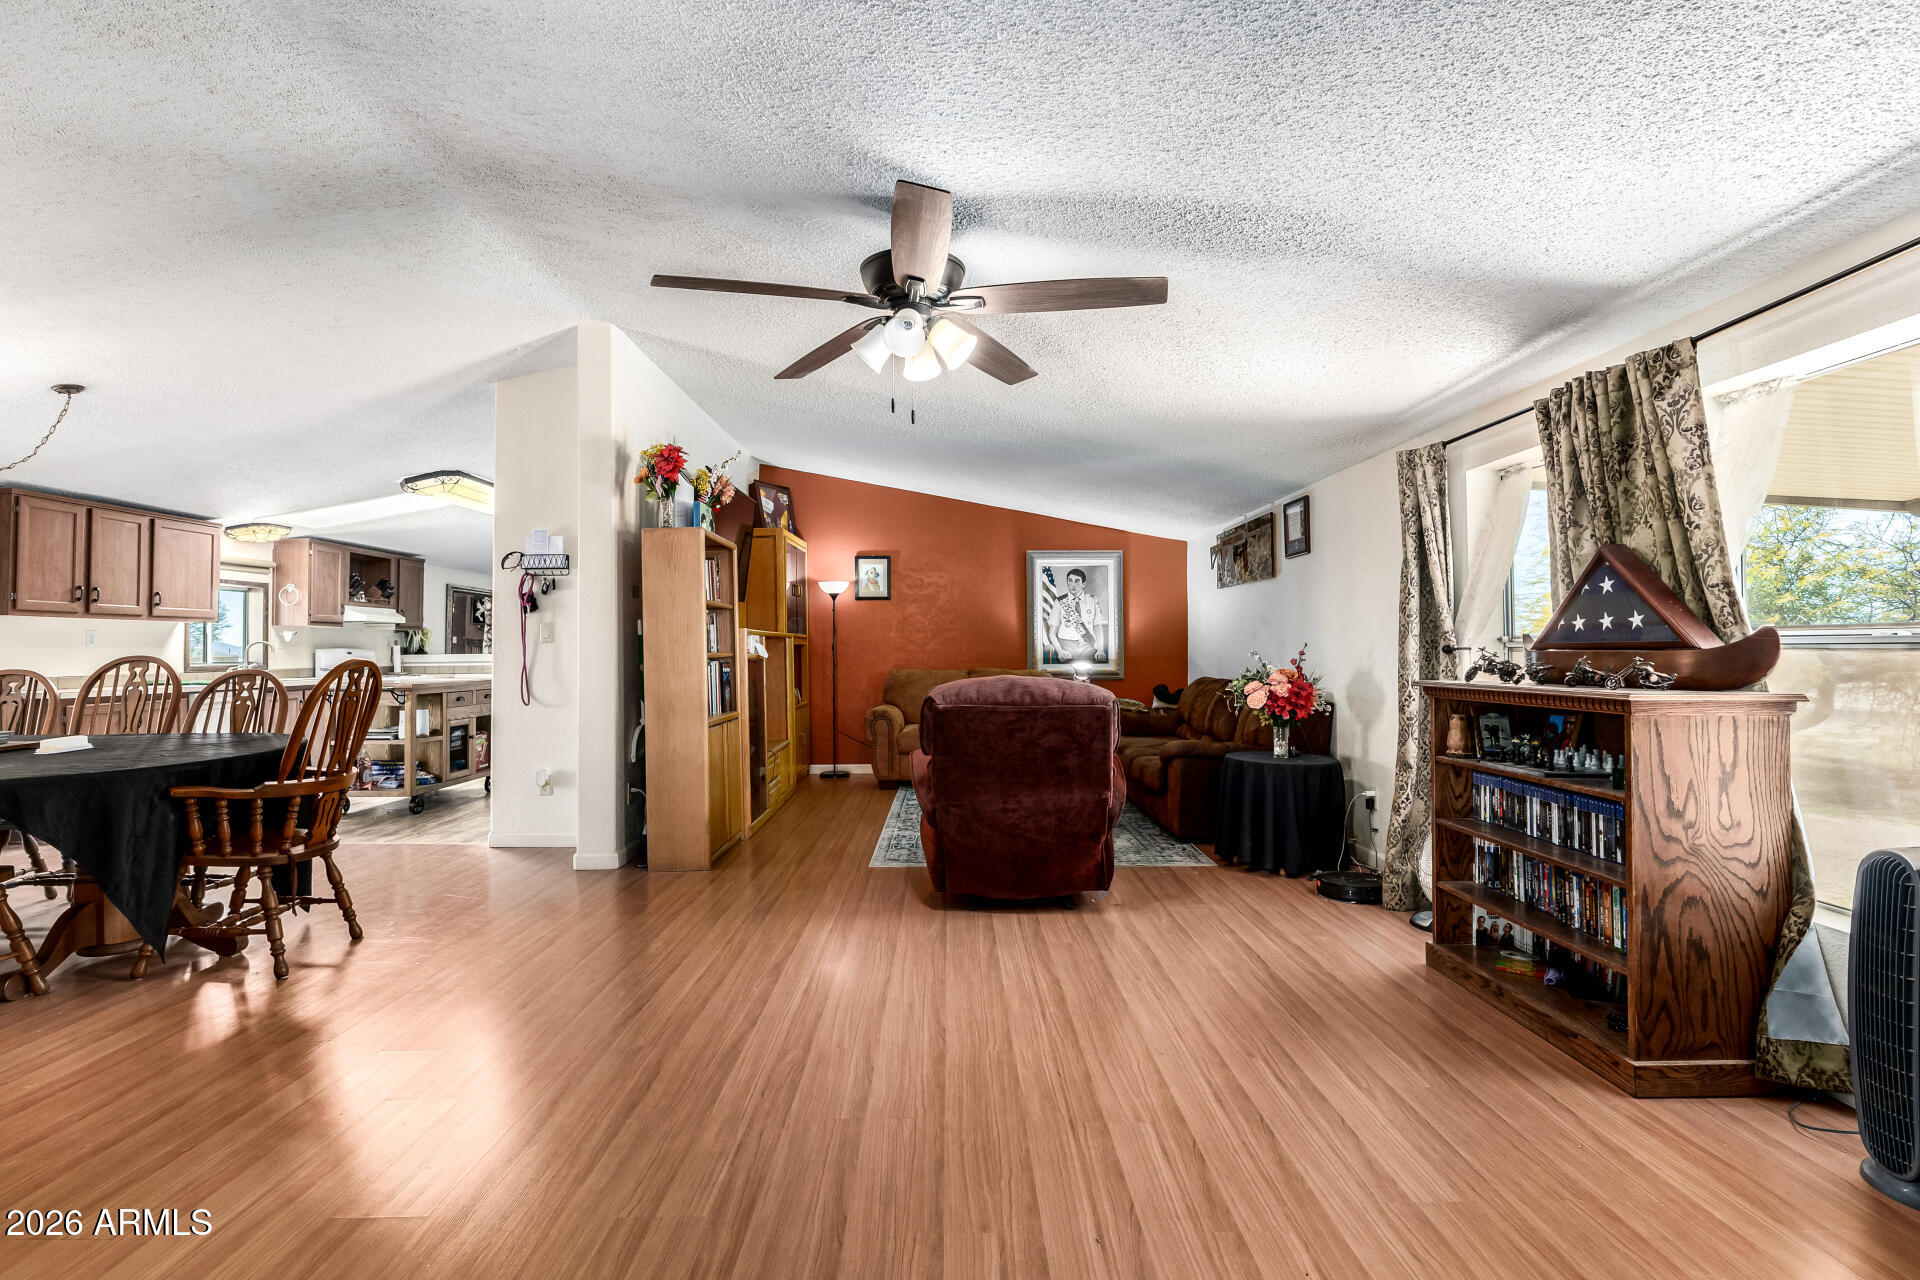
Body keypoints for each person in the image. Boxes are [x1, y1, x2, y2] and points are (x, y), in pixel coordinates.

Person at [1048, 567, 1107, 665]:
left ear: (1084, 584)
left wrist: (1100, 650)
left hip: (1088, 647)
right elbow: (1051, 633)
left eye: (1077, 581)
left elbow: (1098, 627)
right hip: (1066, 648)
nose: (1073, 584)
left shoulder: (1092, 601)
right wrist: (1060, 651)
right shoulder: (1059, 602)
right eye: (1070, 581)